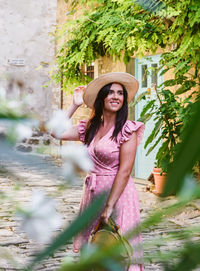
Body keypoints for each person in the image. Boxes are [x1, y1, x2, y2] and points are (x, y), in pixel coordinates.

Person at [56, 72, 145, 271]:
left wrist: (110, 206)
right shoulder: (91, 127)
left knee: (118, 248)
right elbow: (56, 132)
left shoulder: (127, 130)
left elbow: (124, 171)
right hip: (93, 195)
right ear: (101, 97)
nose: (116, 97)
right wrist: (74, 104)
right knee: (96, 246)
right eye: (111, 92)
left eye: (120, 93)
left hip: (119, 198)